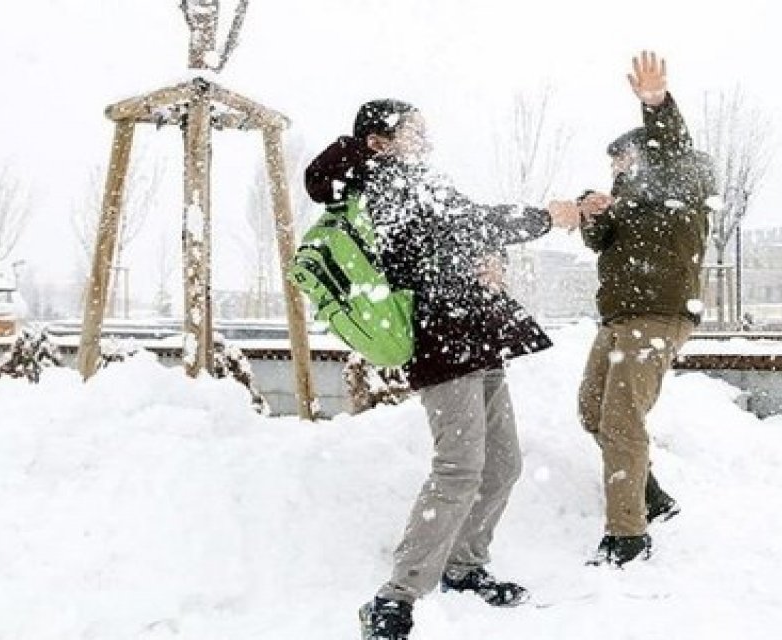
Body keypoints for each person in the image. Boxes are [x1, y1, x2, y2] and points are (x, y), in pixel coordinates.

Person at [304, 99, 582, 640]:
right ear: (380, 141)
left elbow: (469, 228)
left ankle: (464, 566)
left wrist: (492, 258)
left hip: (477, 334)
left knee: (503, 463)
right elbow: (466, 223)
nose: (426, 140)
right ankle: (394, 598)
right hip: (442, 340)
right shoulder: (380, 182)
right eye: (415, 132)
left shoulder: (421, 181)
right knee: (459, 467)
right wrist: (546, 218)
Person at [576, 51, 715, 567]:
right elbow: (599, 242)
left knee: (620, 419)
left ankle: (628, 535)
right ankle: (650, 494)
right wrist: (593, 213)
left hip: (658, 315)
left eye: (623, 160)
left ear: (647, 156)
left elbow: (672, 146)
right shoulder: (625, 202)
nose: (616, 169)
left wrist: (656, 104)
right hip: (619, 317)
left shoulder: (682, 182)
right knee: (592, 409)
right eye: (612, 164)